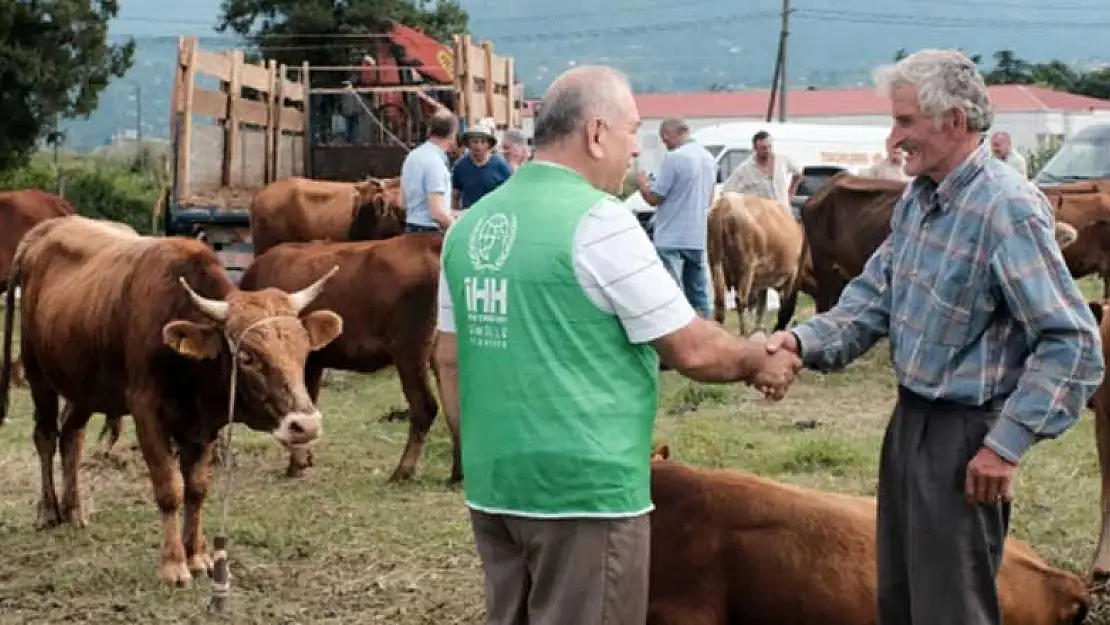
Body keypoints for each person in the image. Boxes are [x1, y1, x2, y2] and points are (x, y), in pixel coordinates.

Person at [433, 65, 803, 625]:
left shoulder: (467, 228)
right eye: (633, 131)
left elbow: (450, 356)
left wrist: (484, 450)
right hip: (584, 496)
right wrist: (757, 355)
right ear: (596, 132)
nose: (636, 148)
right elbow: (692, 349)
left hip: (495, 490)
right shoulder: (599, 222)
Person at [763, 49, 1105, 624]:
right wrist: (800, 343)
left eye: (905, 122)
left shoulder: (1007, 208)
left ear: (953, 121)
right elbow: (874, 297)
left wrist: (1006, 443)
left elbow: (1072, 341)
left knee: (951, 610)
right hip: (911, 424)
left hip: (967, 436)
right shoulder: (920, 202)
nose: (893, 139)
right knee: (901, 600)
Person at [633, 117, 718, 318]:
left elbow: (655, 198)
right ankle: (704, 333)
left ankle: (675, 333)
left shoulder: (675, 158)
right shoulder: (709, 159)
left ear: (669, 134)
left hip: (671, 237)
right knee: (698, 293)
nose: (665, 144)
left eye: (665, 140)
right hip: (696, 237)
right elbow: (709, 198)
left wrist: (643, 184)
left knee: (671, 292)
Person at [400, 111, 457, 233]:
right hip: (430, 235)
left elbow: (403, 202)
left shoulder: (412, 156)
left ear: (429, 130)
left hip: (411, 228)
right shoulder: (436, 164)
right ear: (453, 135)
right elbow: (437, 213)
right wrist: (457, 229)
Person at [722, 130, 803, 214]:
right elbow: (726, 192)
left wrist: (792, 190)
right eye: (763, 148)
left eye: (770, 147)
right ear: (755, 148)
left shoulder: (782, 160)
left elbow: (799, 171)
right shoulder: (744, 169)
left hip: (783, 216)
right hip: (761, 220)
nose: (767, 150)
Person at [452, 118, 513, 214]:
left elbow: (510, 194)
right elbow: (455, 195)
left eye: (483, 142)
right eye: (475, 142)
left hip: (493, 216)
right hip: (469, 215)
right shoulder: (460, 166)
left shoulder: (500, 165)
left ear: (489, 145)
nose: (479, 146)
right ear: (469, 143)